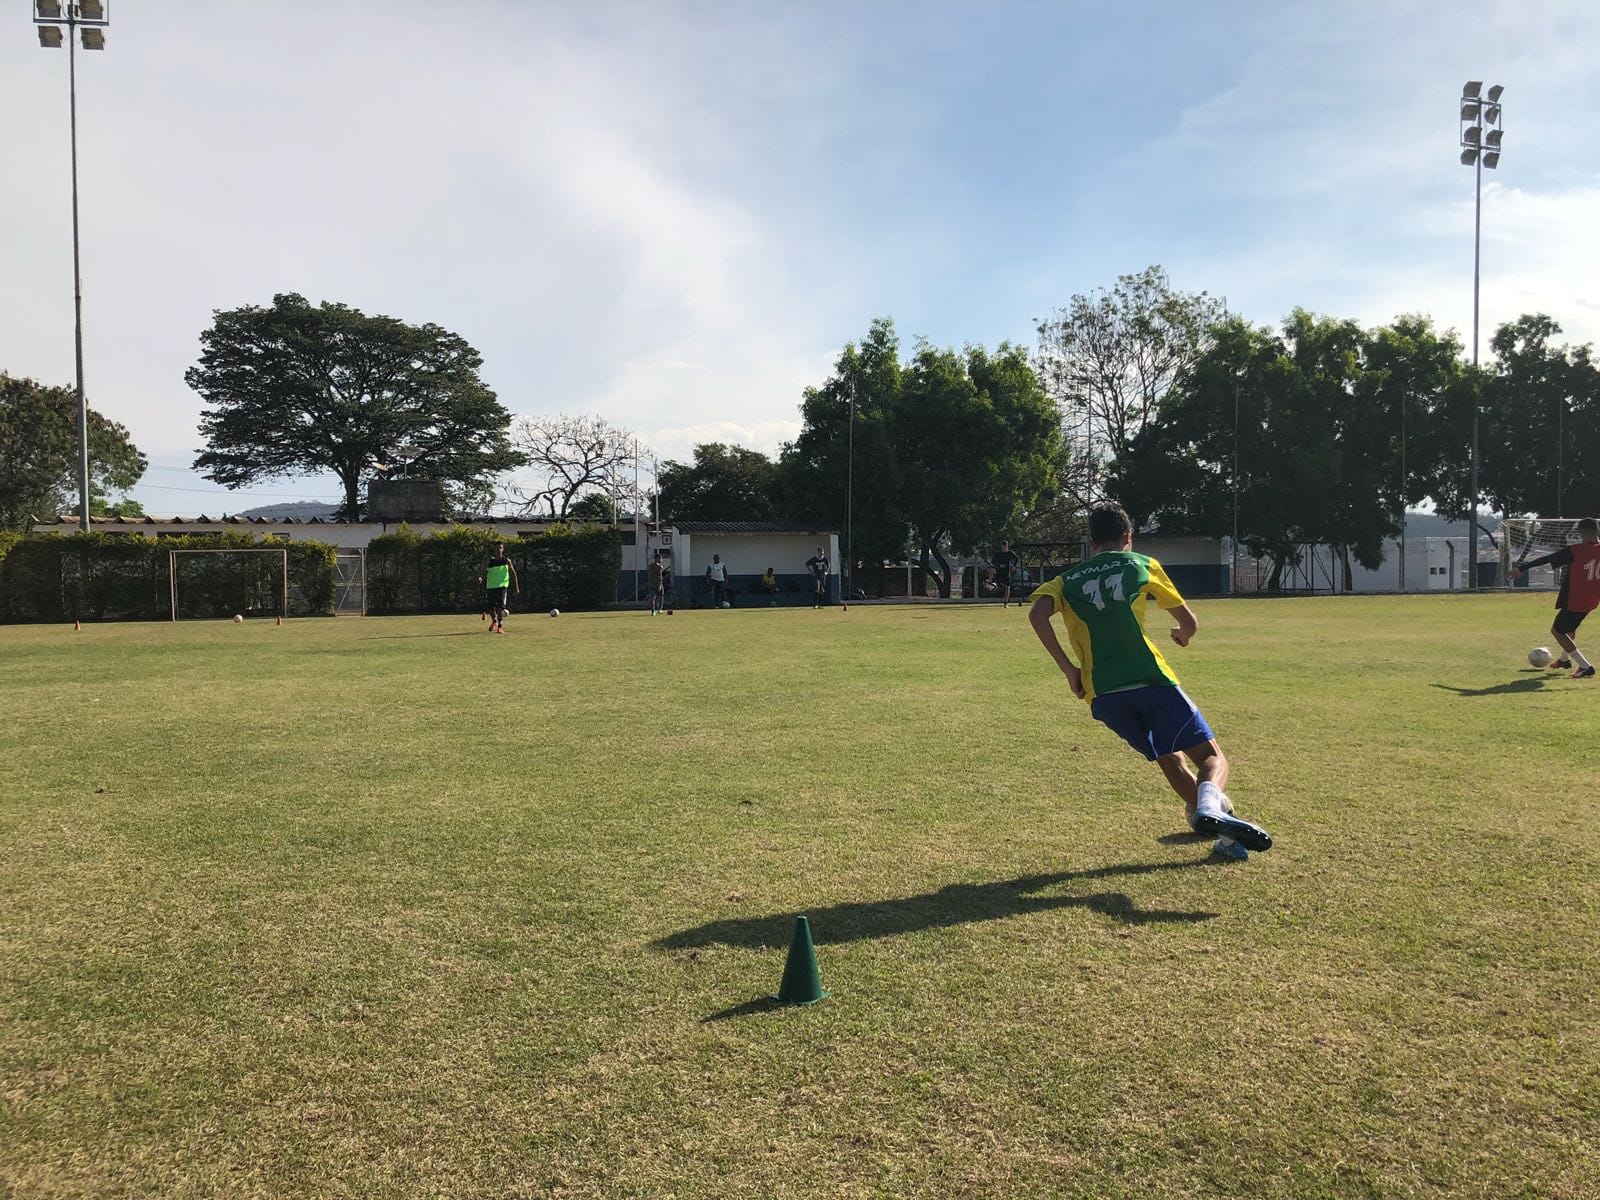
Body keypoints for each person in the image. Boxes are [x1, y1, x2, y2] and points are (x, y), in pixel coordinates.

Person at [1027, 503, 1273, 858]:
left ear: (1091, 542)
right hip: (1151, 678)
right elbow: (1189, 622)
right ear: (1128, 536)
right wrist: (1183, 634)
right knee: (1211, 757)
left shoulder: (1066, 580)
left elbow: (1037, 614)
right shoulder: (1142, 564)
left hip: (1103, 693)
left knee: (1169, 758)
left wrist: (1069, 669)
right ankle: (1210, 805)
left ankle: (1228, 839)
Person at [1509, 517, 1600, 678]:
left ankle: (1585, 666)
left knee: (1557, 631)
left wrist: (1521, 568)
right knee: (1569, 629)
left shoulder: (1577, 550)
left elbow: (1547, 559)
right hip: (1591, 599)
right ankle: (1564, 660)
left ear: (1581, 533)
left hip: (1575, 599)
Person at [478, 542, 519, 635]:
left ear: (503, 549)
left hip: (502, 586)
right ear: (494, 549)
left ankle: (500, 627)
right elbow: (483, 570)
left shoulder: (506, 560)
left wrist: (516, 587)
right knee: (491, 608)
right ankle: (494, 621)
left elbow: (513, 573)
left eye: (500, 548)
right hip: (491, 586)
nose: (499, 550)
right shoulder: (489, 560)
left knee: (500, 607)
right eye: (497, 548)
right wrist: (480, 577)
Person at [993, 540, 1020, 607]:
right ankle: (993, 583)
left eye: (1005, 546)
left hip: (1006, 571)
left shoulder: (1010, 553)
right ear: (1001, 546)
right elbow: (993, 561)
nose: (1004, 548)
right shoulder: (998, 554)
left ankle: (1005, 603)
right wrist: (998, 565)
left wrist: (1013, 566)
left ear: (1007, 546)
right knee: (998, 582)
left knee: (1007, 587)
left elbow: (1016, 558)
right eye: (1003, 547)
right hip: (999, 571)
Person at [647, 551, 666, 616]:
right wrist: (659, 585)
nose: (661, 560)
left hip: (654, 584)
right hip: (655, 584)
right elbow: (659, 577)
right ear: (657, 559)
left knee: (660, 596)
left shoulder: (651, 566)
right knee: (654, 598)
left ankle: (657, 610)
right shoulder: (657, 567)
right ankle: (655, 610)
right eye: (660, 559)